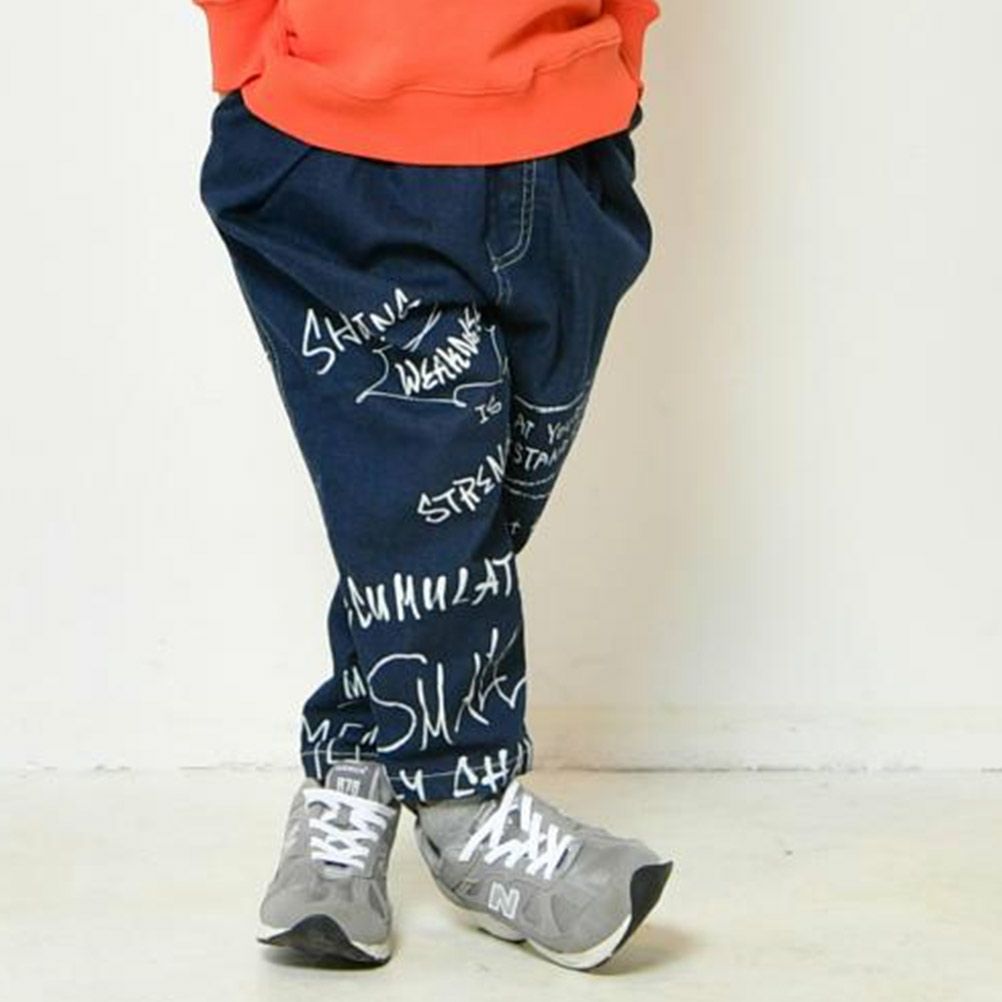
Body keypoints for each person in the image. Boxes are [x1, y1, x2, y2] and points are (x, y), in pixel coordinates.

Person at [193, 0, 671, 971]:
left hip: (566, 139)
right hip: (339, 134)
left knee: (461, 500)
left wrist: (620, 51)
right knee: (422, 491)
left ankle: (355, 766)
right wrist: (253, 51)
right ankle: (469, 807)